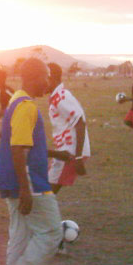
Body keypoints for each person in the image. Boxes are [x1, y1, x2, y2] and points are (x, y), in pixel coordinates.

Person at [0, 57, 64, 265]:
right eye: (46, 76)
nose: (48, 82)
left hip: (10, 179)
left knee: (20, 236)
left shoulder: (17, 100)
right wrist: (25, 189)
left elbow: (22, 142)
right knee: (52, 232)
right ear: (35, 77)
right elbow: (18, 149)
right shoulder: (26, 107)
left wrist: (56, 154)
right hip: (28, 182)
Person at [46, 62, 90, 194]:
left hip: (69, 153)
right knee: (45, 193)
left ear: (51, 79)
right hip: (65, 151)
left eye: (43, 78)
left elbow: (80, 122)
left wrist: (78, 157)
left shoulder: (62, 97)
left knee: (45, 194)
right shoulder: (56, 97)